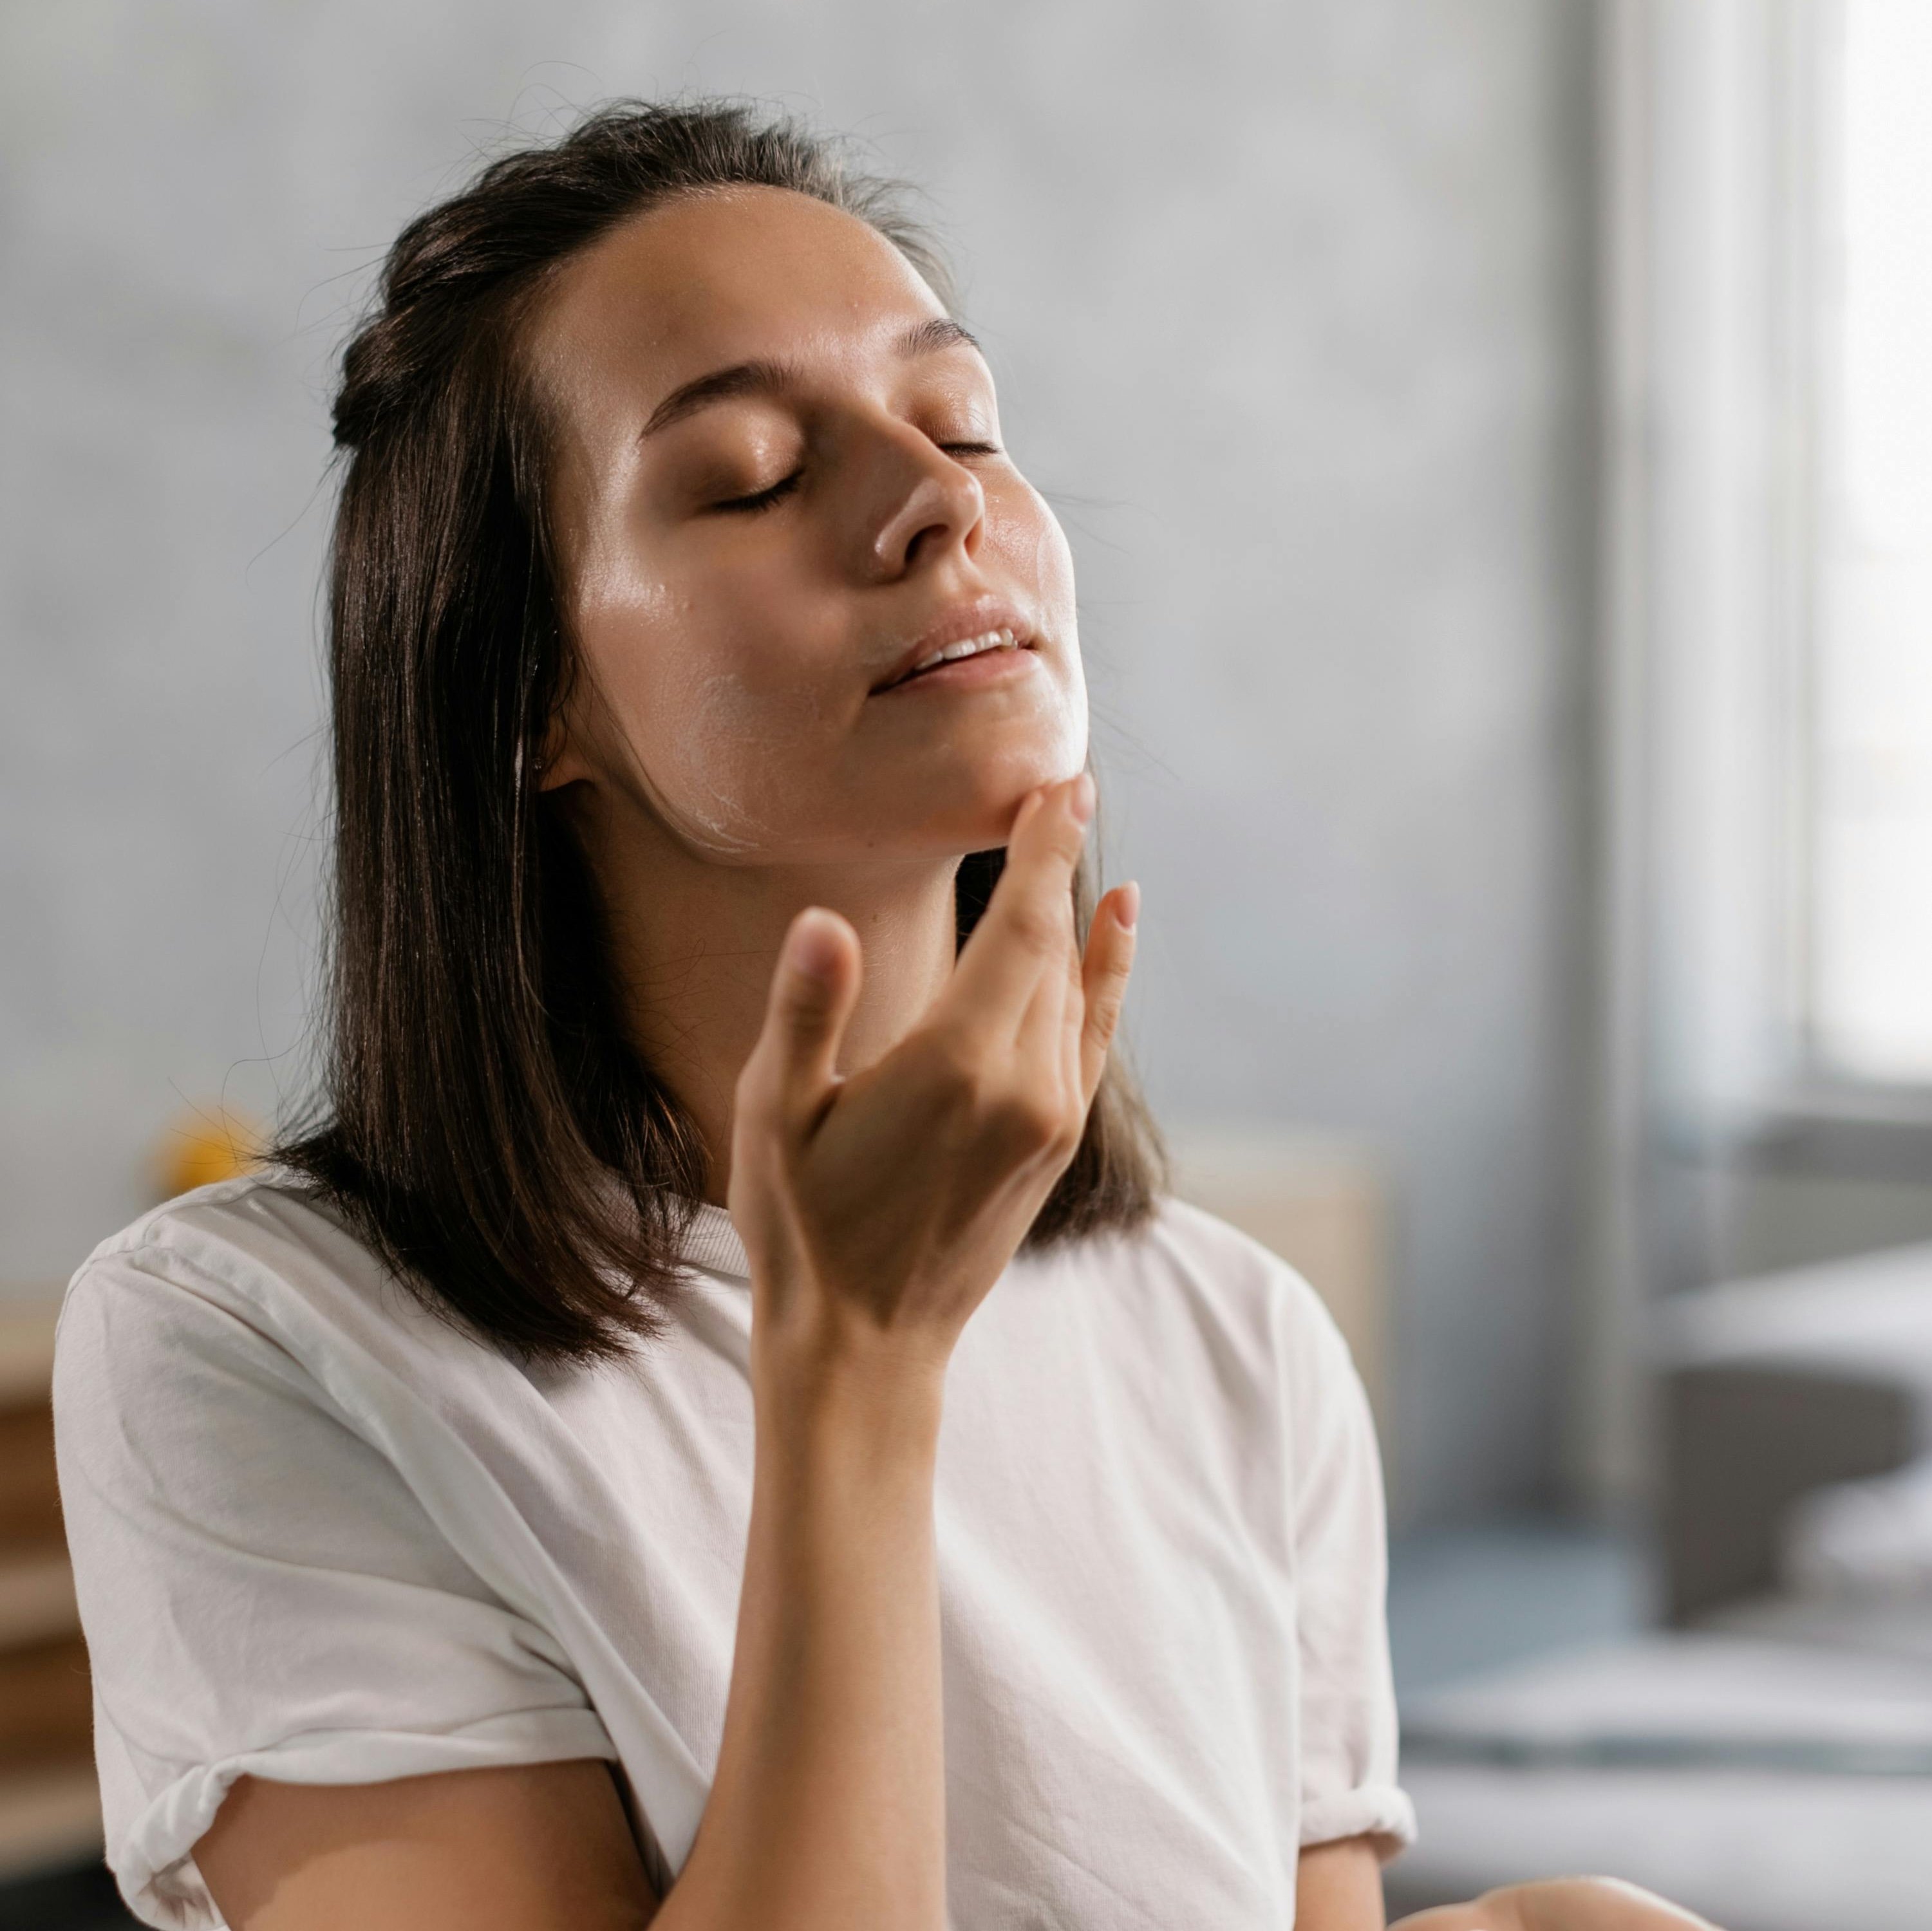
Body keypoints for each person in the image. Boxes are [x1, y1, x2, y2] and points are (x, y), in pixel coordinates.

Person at [52, 102, 1712, 1931]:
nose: (943, 501)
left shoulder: (1236, 1340)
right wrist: (854, 1375)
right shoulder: (252, 1340)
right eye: (754, 473)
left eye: (960, 422)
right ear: (524, 698)